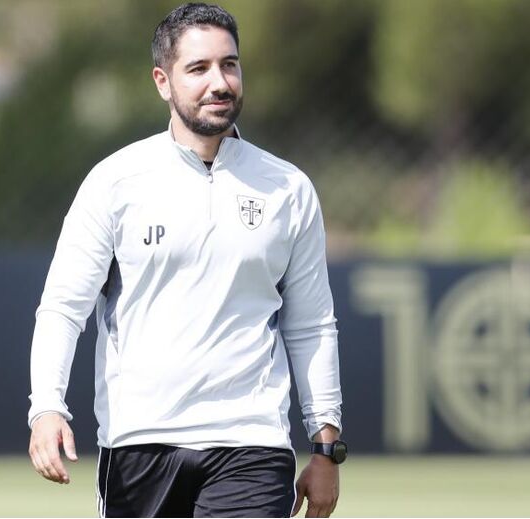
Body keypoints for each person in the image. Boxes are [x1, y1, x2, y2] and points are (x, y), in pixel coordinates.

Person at [27, 3, 343, 517]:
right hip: (139, 442)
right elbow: (63, 308)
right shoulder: (115, 182)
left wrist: (326, 446)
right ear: (163, 81)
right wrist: (46, 407)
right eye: (198, 69)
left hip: (252, 442)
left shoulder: (289, 188)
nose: (219, 82)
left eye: (230, 65)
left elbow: (311, 324)